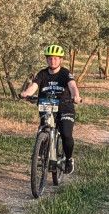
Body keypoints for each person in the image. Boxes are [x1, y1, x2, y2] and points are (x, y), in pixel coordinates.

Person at [20, 44, 82, 174]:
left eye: (55, 58)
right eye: (50, 58)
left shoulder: (65, 73)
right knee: (44, 127)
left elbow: (72, 86)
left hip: (65, 107)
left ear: (61, 60)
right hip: (47, 105)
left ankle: (69, 159)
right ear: (46, 60)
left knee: (66, 134)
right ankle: (42, 148)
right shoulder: (42, 74)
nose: (52, 61)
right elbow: (34, 85)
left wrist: (75, 95)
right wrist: (27, 93)